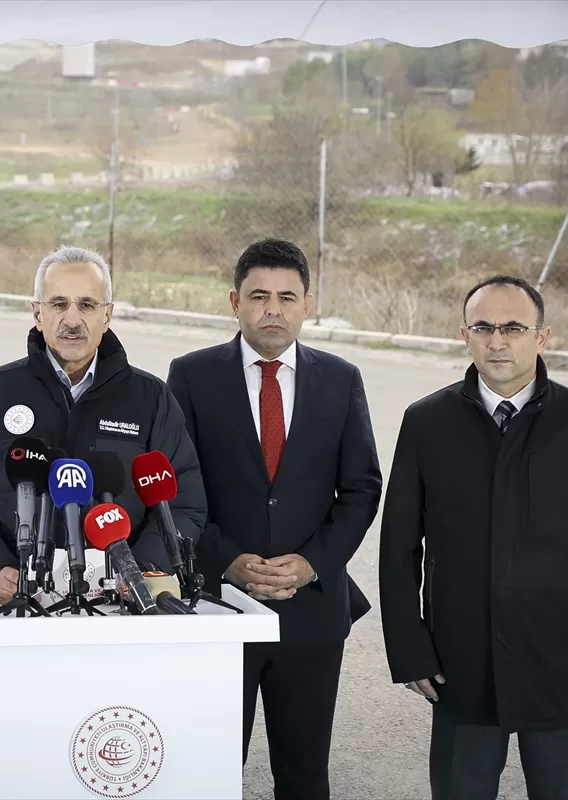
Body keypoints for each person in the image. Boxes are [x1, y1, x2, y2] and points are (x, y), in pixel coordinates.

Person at [379, 275, 568, 800]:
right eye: (483, 327)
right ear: (465, 335)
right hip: (461, 663)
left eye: (513, 328)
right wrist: (409, 650)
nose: (497, 341)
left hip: (565, 663)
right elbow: (398, 549)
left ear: (541, 337)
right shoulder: (427, 422)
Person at [167, 238, 382, 800]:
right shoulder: (190, 376)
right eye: (259, 295)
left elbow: (361, 489)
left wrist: (313, 563)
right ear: (234, 301)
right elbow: (174, 489)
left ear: (307, 304)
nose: (273, 309)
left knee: (304, 775)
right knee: (208, 771)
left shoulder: (341, 378)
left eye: (287, 297)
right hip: (216, 603)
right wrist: (226, 560)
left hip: (311, 612)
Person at [0, 244, 207, 605]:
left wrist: (141, 570)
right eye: (59, 304)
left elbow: (184, 503)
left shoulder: (151, 398)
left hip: (125, 605)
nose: (73, 319)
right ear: (38, 313)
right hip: (22, 602)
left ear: (107, 315)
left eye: (87, 305)